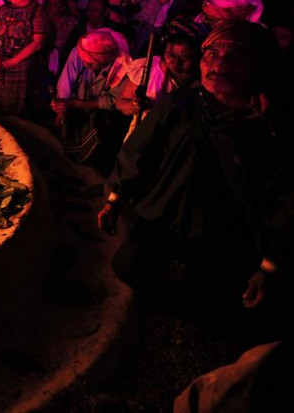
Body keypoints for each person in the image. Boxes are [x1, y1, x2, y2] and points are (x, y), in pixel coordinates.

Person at [98, 20, 289, 329]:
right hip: (163, 212)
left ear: (258, 64)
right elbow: (140, 151)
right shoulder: (179, 106)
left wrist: (269, 264)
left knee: (221, 303)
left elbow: (284, 198)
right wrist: (115, 199)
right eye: (211, 54)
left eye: (234, 57)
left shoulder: (269, 129)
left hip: (221, 229)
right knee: (128, 267)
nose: (219, 65)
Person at [52, 29, 133, 169]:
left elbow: (110, 101)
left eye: (91, 63)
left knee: (100, 125)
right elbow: (65, 84)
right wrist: (61, 107)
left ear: (105, 60)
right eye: (84, 61)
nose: (85, 65)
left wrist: (75, 104)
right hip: (78, 103)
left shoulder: (124, 67)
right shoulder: (79, 51)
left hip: (103, 113)